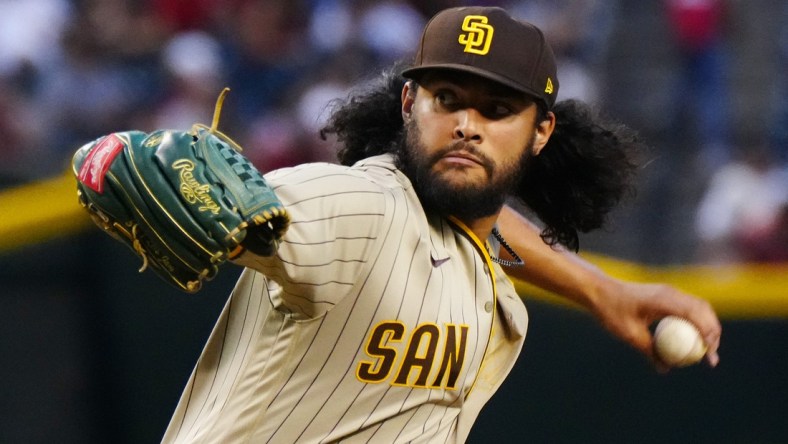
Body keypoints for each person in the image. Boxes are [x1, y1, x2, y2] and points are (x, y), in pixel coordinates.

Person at [156, 6, 720, 442]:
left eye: (497, 109)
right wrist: (138, 168)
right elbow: (288, 204)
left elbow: (485, 228)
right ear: (408, 103)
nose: (466, 125)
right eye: (446, 99)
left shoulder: (465, 233)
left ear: (541, 132)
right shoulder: (364, 206)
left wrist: (605, 292)